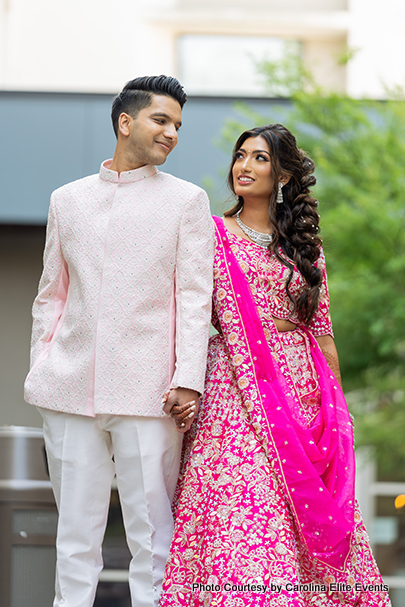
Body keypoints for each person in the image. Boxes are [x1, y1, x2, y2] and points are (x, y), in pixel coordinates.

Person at [160, 124, 391, 606]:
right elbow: (188, 312)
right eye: (240, 156)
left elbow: (322, 329)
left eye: (259, 158)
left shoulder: (304, 246)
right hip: (234, 390)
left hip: (300, 389)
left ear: (282, 173)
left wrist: (337, 415)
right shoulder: (212, 234)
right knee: (240, 505)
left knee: (300, 509)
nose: (243, 166)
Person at [24, 75, 214, 607]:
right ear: (125, 122)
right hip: (66, 391)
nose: (172, 132)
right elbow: (51, 296)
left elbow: (194, 299)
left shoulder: (186, 201)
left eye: (177, 124)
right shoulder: (67, 200)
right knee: (74, 539)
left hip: (150, 392)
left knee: (153, 539)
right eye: (162, 119)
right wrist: (42, 366)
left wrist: (188, 379)